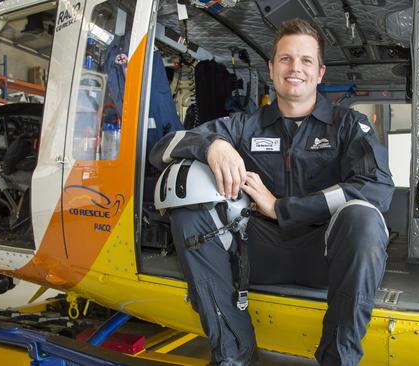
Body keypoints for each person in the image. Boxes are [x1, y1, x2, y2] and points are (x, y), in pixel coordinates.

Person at [150, 18, 394, 366]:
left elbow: (378, 188)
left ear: (320, 72)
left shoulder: (349, 126)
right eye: (286, 59)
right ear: (271, 68)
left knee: (364, 219)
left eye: (306, 60)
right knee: (189, 208)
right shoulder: (243, 125)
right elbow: (161, 148)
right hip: (255, 254)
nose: (295, 68)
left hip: (324, 255)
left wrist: (283, 208)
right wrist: (211, 147)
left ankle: (338, 359)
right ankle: (233, 355)